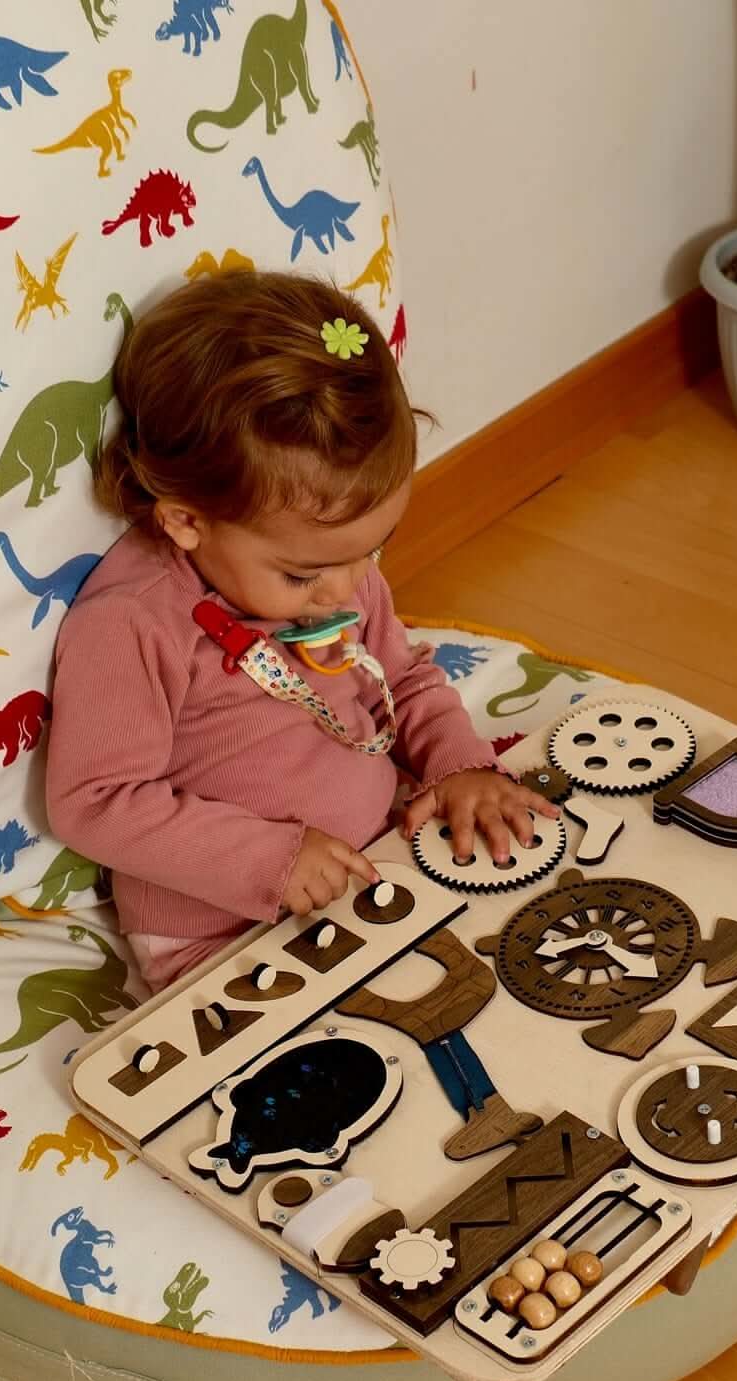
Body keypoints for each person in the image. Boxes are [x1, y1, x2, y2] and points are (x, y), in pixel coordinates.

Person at [46, 271, 556, 990]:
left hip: (378, 860)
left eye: (369, 552)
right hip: (223, 930)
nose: (349, 588)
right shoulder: (133, 623)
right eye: (303, 574)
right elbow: (96, 802)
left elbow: (401, 678)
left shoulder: (329, 564)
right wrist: (269, 861)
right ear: (186, 519)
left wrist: (458, 764)